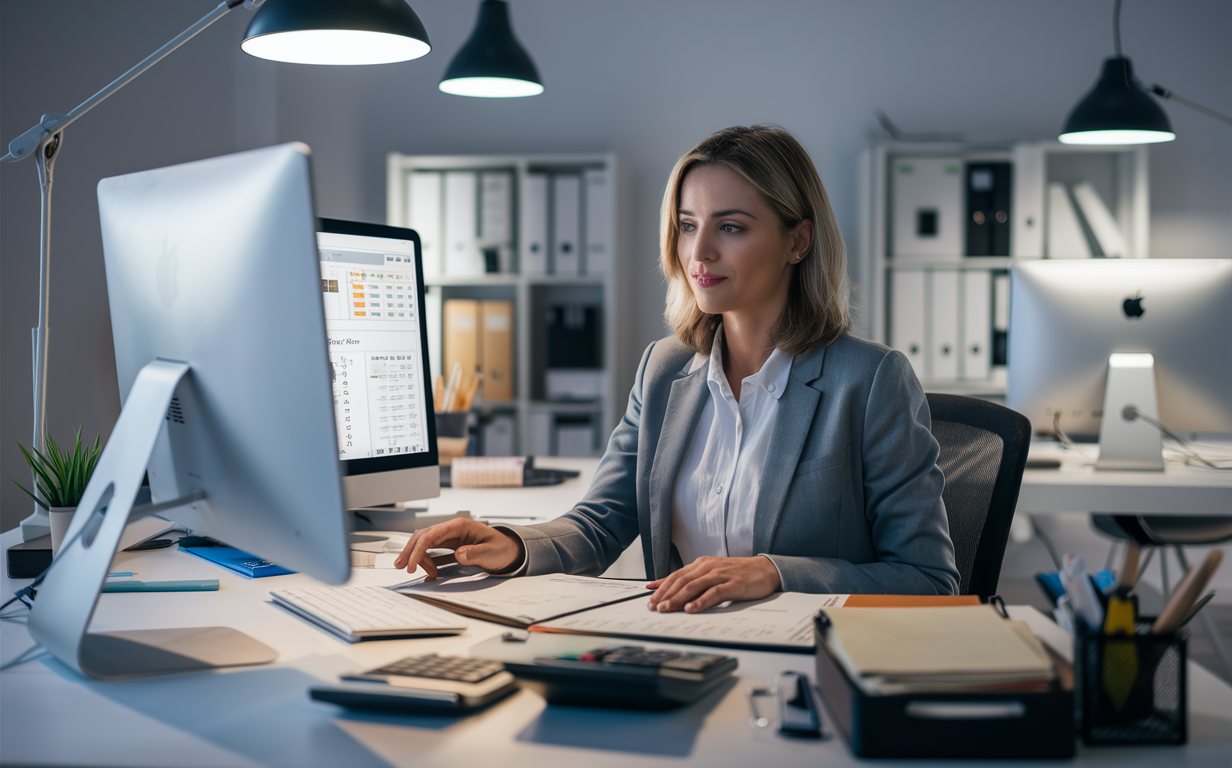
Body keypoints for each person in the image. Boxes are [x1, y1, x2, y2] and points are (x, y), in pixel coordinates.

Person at [395, 125, 959, 612]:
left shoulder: (871, 380)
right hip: (680, 644)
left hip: (807, 661)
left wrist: (776, 573)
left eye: (731, 227)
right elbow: (600, 523)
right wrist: (512, 544)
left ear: (798, 240)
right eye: (688, 225)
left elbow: (930, 582)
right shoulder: (664, 370)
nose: (699, 253)